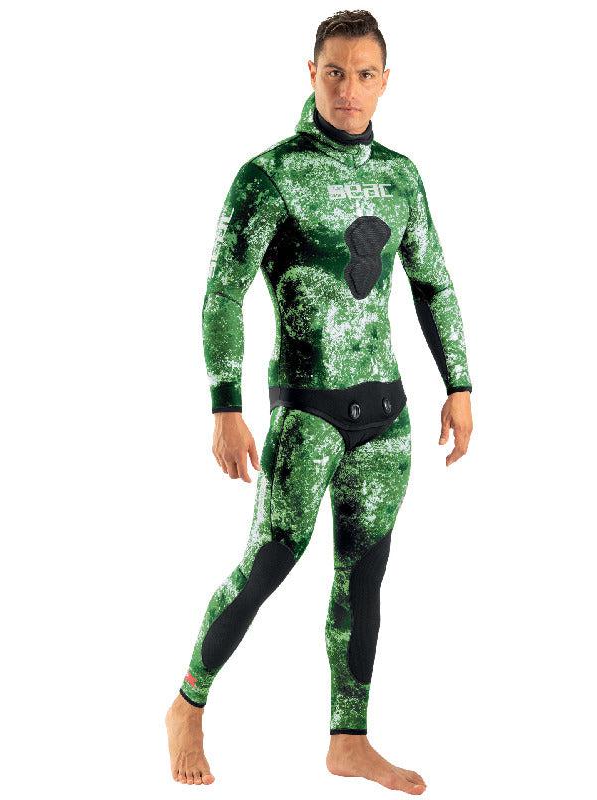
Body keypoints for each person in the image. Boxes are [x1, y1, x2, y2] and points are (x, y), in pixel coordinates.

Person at [165, 9, 473, 794]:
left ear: (385, 82)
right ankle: (188, 703)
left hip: (388, 414)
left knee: (363, 578)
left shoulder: (401, 176)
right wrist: (226, 405)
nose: (348, 89)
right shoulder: (269, 175)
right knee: (268, 561)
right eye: (335, 72)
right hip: (307, 412)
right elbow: (222, 292)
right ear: (312, 74)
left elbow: (434, 282)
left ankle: (349, 740)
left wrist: (460, 385)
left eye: (364, 74)